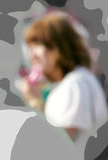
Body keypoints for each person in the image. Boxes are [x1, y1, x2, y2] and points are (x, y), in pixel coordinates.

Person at [21, 13, 108, 141]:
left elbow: (68, 141)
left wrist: (35, 101)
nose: (31, 55)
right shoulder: (73, 81)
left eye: (37, 45)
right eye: (30, 48)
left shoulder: (76, 82)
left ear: (58, 47)